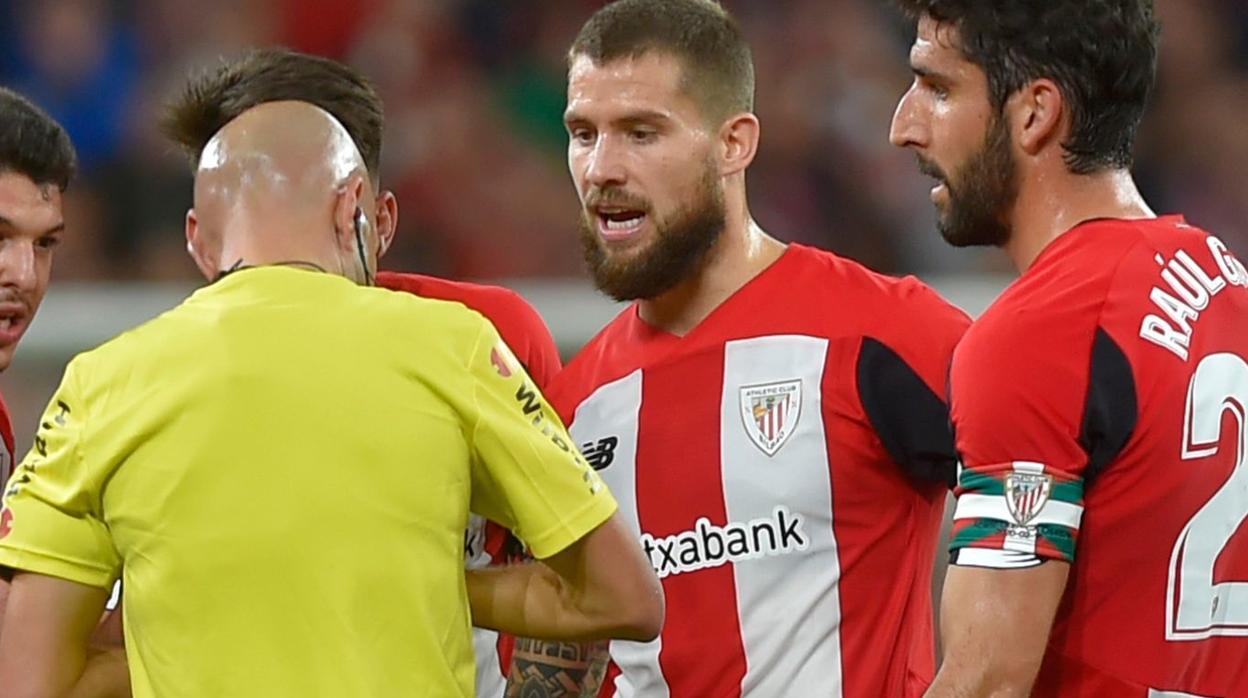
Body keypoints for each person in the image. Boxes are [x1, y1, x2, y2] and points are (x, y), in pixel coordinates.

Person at [0, 99, 662, 697]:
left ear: (199, 239)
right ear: (355, 210)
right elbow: (625, 598)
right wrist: (422, 584)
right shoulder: (454, 345)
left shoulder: (102, 383)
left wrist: (181, 624)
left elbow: (29, 683)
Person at [513, 1, 971, 695]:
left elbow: (1065, 494)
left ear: (734, 144)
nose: (601, 167)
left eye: (641, 132)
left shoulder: (882, 333)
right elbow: (560, 664)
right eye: (583, 133)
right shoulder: (573, 411)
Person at [160, 47, 563, 697]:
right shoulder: (151, 385)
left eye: (304, 207)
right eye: (253, 211)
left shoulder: (488, 342)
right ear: (203, 237)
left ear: (377, 220)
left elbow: (576, 585)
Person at [889, 2, 1248, 696]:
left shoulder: (1040, 333)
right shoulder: (1228, 284)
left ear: (1034, 114)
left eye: (936, 88)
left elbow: (987, 679)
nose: (903, 126)